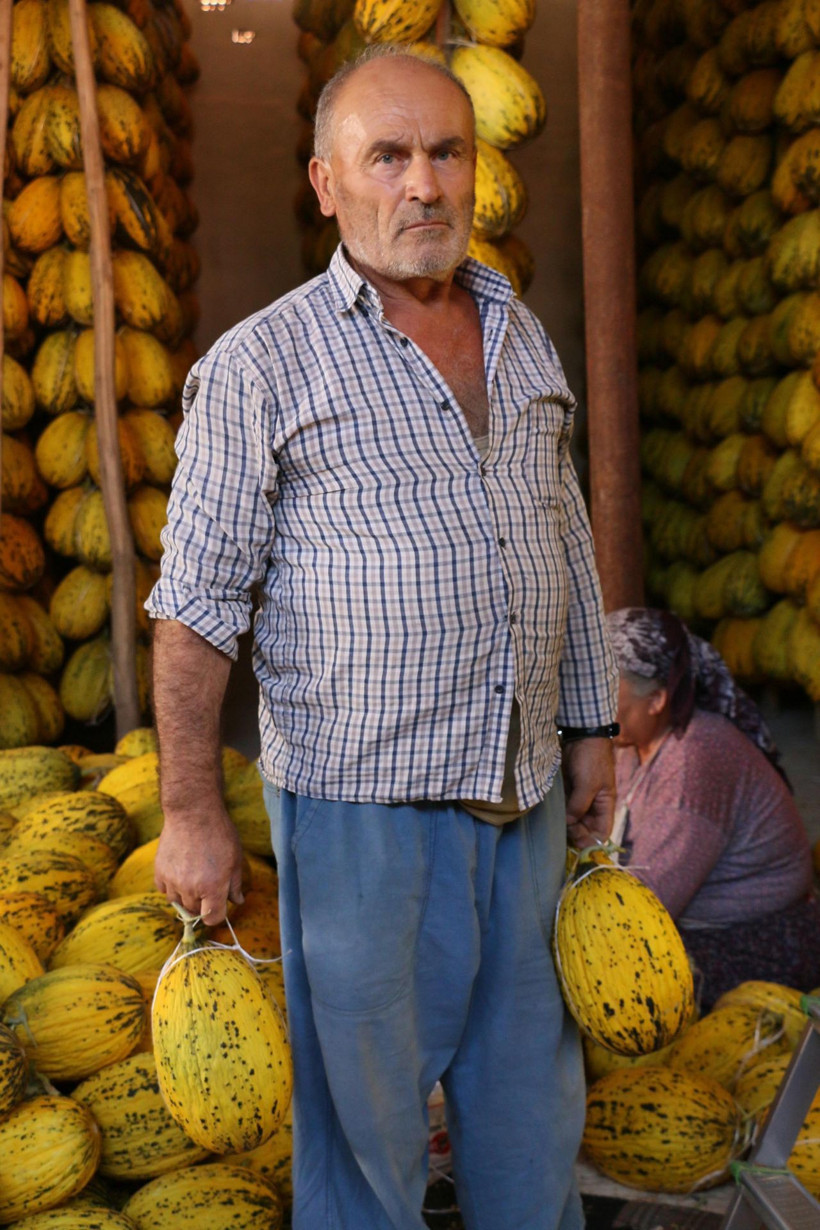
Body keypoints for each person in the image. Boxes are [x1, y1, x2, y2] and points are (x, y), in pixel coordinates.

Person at [147, 45, 619, 1230]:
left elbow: (562, 535)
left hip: (520, 794)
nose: (423, 184)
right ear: (326, 182)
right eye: (387, 156)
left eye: (446, 153)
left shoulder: (519, 334)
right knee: (367, 1139)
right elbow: (195, 608)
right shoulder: (260, 364)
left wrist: (592, 727)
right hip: (362, 817)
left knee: (531, 1115)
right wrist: (191, 811)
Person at [607, 606, 820, 1010]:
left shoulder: (695, 758)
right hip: (698, 925)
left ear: (656, 699)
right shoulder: (633, 744)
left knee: (621, 991)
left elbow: (651, 903)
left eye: (605, 695)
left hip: (761, 941)